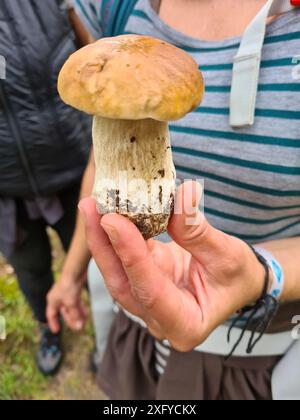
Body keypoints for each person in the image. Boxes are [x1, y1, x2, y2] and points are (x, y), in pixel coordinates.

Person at [47, 0, 300, 399]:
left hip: (252, 348)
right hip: (134, 317)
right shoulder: (118, 8)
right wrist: (71, 274)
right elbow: (99, 162)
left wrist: (263, 273)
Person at [0, 0, 93, 376]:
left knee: (91, 257)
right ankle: (48, 327)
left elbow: (93, 50)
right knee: (31, 268)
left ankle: (102, 324)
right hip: (7, 190)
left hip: (72, 164)